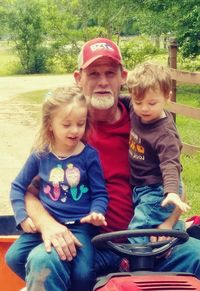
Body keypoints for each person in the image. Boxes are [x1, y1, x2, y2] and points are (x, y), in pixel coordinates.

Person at [6, 38, 200, 291]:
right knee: (44, 260)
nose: (102, 82)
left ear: (123, 77)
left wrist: (167, 223)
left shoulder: (147, 120)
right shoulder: (66, 129)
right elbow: (29, 192)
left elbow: (174, 178)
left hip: (147, 241)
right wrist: (48, 225)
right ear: (78, 78)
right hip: (87, 244)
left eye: (110, 73)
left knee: (196, 254)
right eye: (93, 73)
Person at [6, 86, 108, 291]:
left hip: (79, 226)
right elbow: (17, 186)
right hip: (47, 224)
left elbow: (100, 193)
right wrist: (23, 217)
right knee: (13, 257)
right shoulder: (40, 154)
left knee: (83, 273)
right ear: (50, 125)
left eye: (81, 123)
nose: (75, 130)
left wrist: (98, 212)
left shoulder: (89, 156)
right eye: (66, 124)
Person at [127, 62, 190, 243]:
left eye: (152, 103)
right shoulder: (135, 109)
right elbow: (120, 100)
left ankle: (133, 260)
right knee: (154, 223)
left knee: (139, 228)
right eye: (138, 102)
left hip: (159, 189)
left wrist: (171, 192)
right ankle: (176, 232)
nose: (144, 108)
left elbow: (171, 165)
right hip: (141, 187)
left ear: (167, 97)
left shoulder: (165, 135)